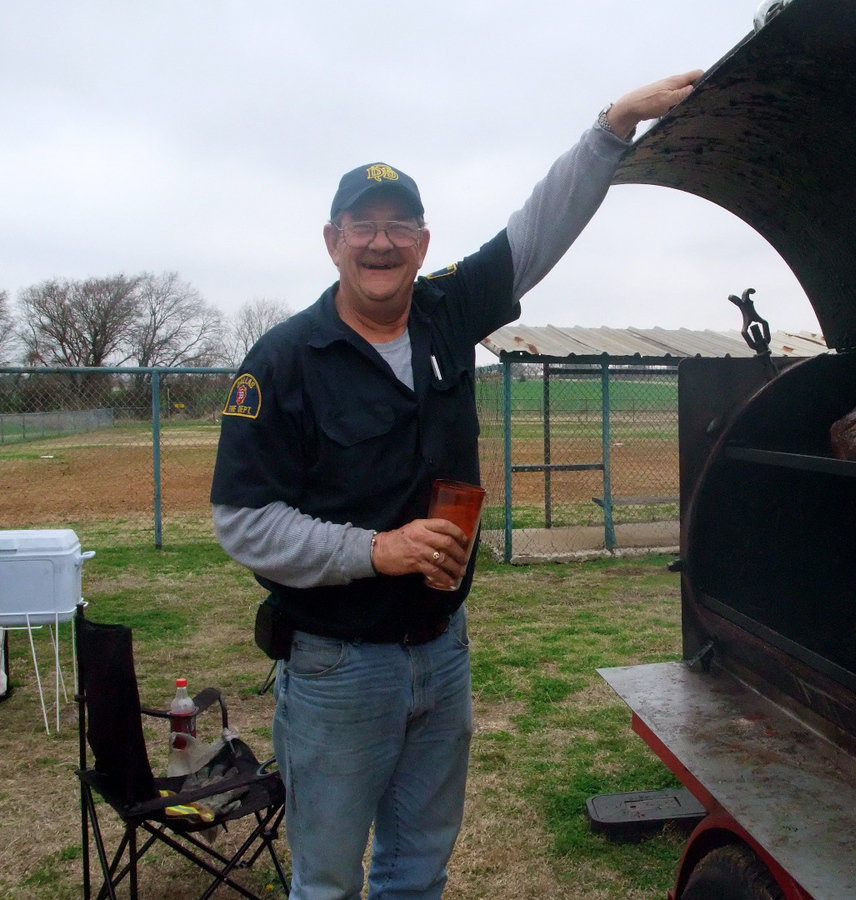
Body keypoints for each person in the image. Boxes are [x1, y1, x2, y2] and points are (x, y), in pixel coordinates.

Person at [210, 70, 702, 900]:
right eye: (361, 228)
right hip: (337, 669)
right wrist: (377, 550)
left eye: (398, 228)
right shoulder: (284, 361)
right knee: (327, 881)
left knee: (417, 871)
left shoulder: (443, 314)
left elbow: (537, 232)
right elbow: (243, 522)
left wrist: (613, 126)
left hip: (442, 652)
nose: (380, 243)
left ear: (422, 244)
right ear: (331, 241)